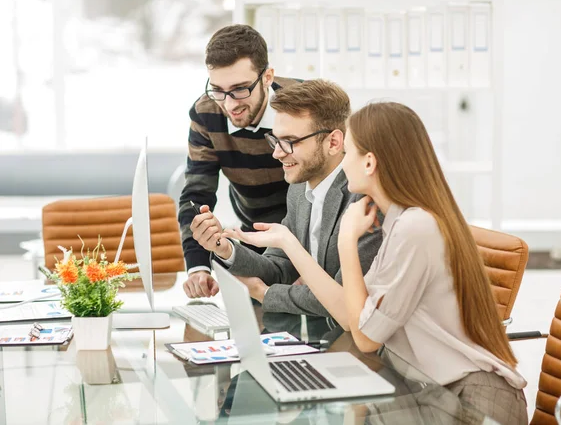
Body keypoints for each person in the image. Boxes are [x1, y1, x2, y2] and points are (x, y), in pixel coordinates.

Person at [227, 101, 528, 424]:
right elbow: (349, 315)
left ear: (369, 162)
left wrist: (346, 239)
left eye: (350, 152)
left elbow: (366, 338)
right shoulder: (398, 222)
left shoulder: (415, 228)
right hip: (423, 388)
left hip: (472, 400)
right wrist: (287, 241)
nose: (343, 165)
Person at [184, 80, 382, 323]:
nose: (277, 153)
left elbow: (343, 300)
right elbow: (280, 268)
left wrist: (265, 294)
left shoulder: (364, 199)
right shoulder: (299, 189)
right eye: (275, 141)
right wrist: (224, 248)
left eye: (290, 141)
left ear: (333, 142)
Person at [178, 25, 300, 294]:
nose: (230, 104)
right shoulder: (206, 113)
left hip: (309, 240)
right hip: (254, 237)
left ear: (267, 77)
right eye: (218, 89)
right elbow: (197, 194)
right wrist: (198, 266)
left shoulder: (306, 106)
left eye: (240, 89)